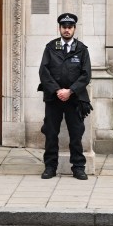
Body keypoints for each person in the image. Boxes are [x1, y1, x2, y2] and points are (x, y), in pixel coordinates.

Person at [38, 12, 92, 180]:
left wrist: (70, 91)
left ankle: (78, 167)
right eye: (64, 27)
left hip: (74, 99)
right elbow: (44, 71)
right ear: (60, 28)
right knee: (51, 133)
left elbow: (86, 74)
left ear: (74, 29)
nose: (67, 30)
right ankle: (50, 167)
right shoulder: (50, 47)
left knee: (76, 134)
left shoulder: (82, 49)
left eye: (70, 27)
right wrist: (57, 90)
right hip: (54, 98)